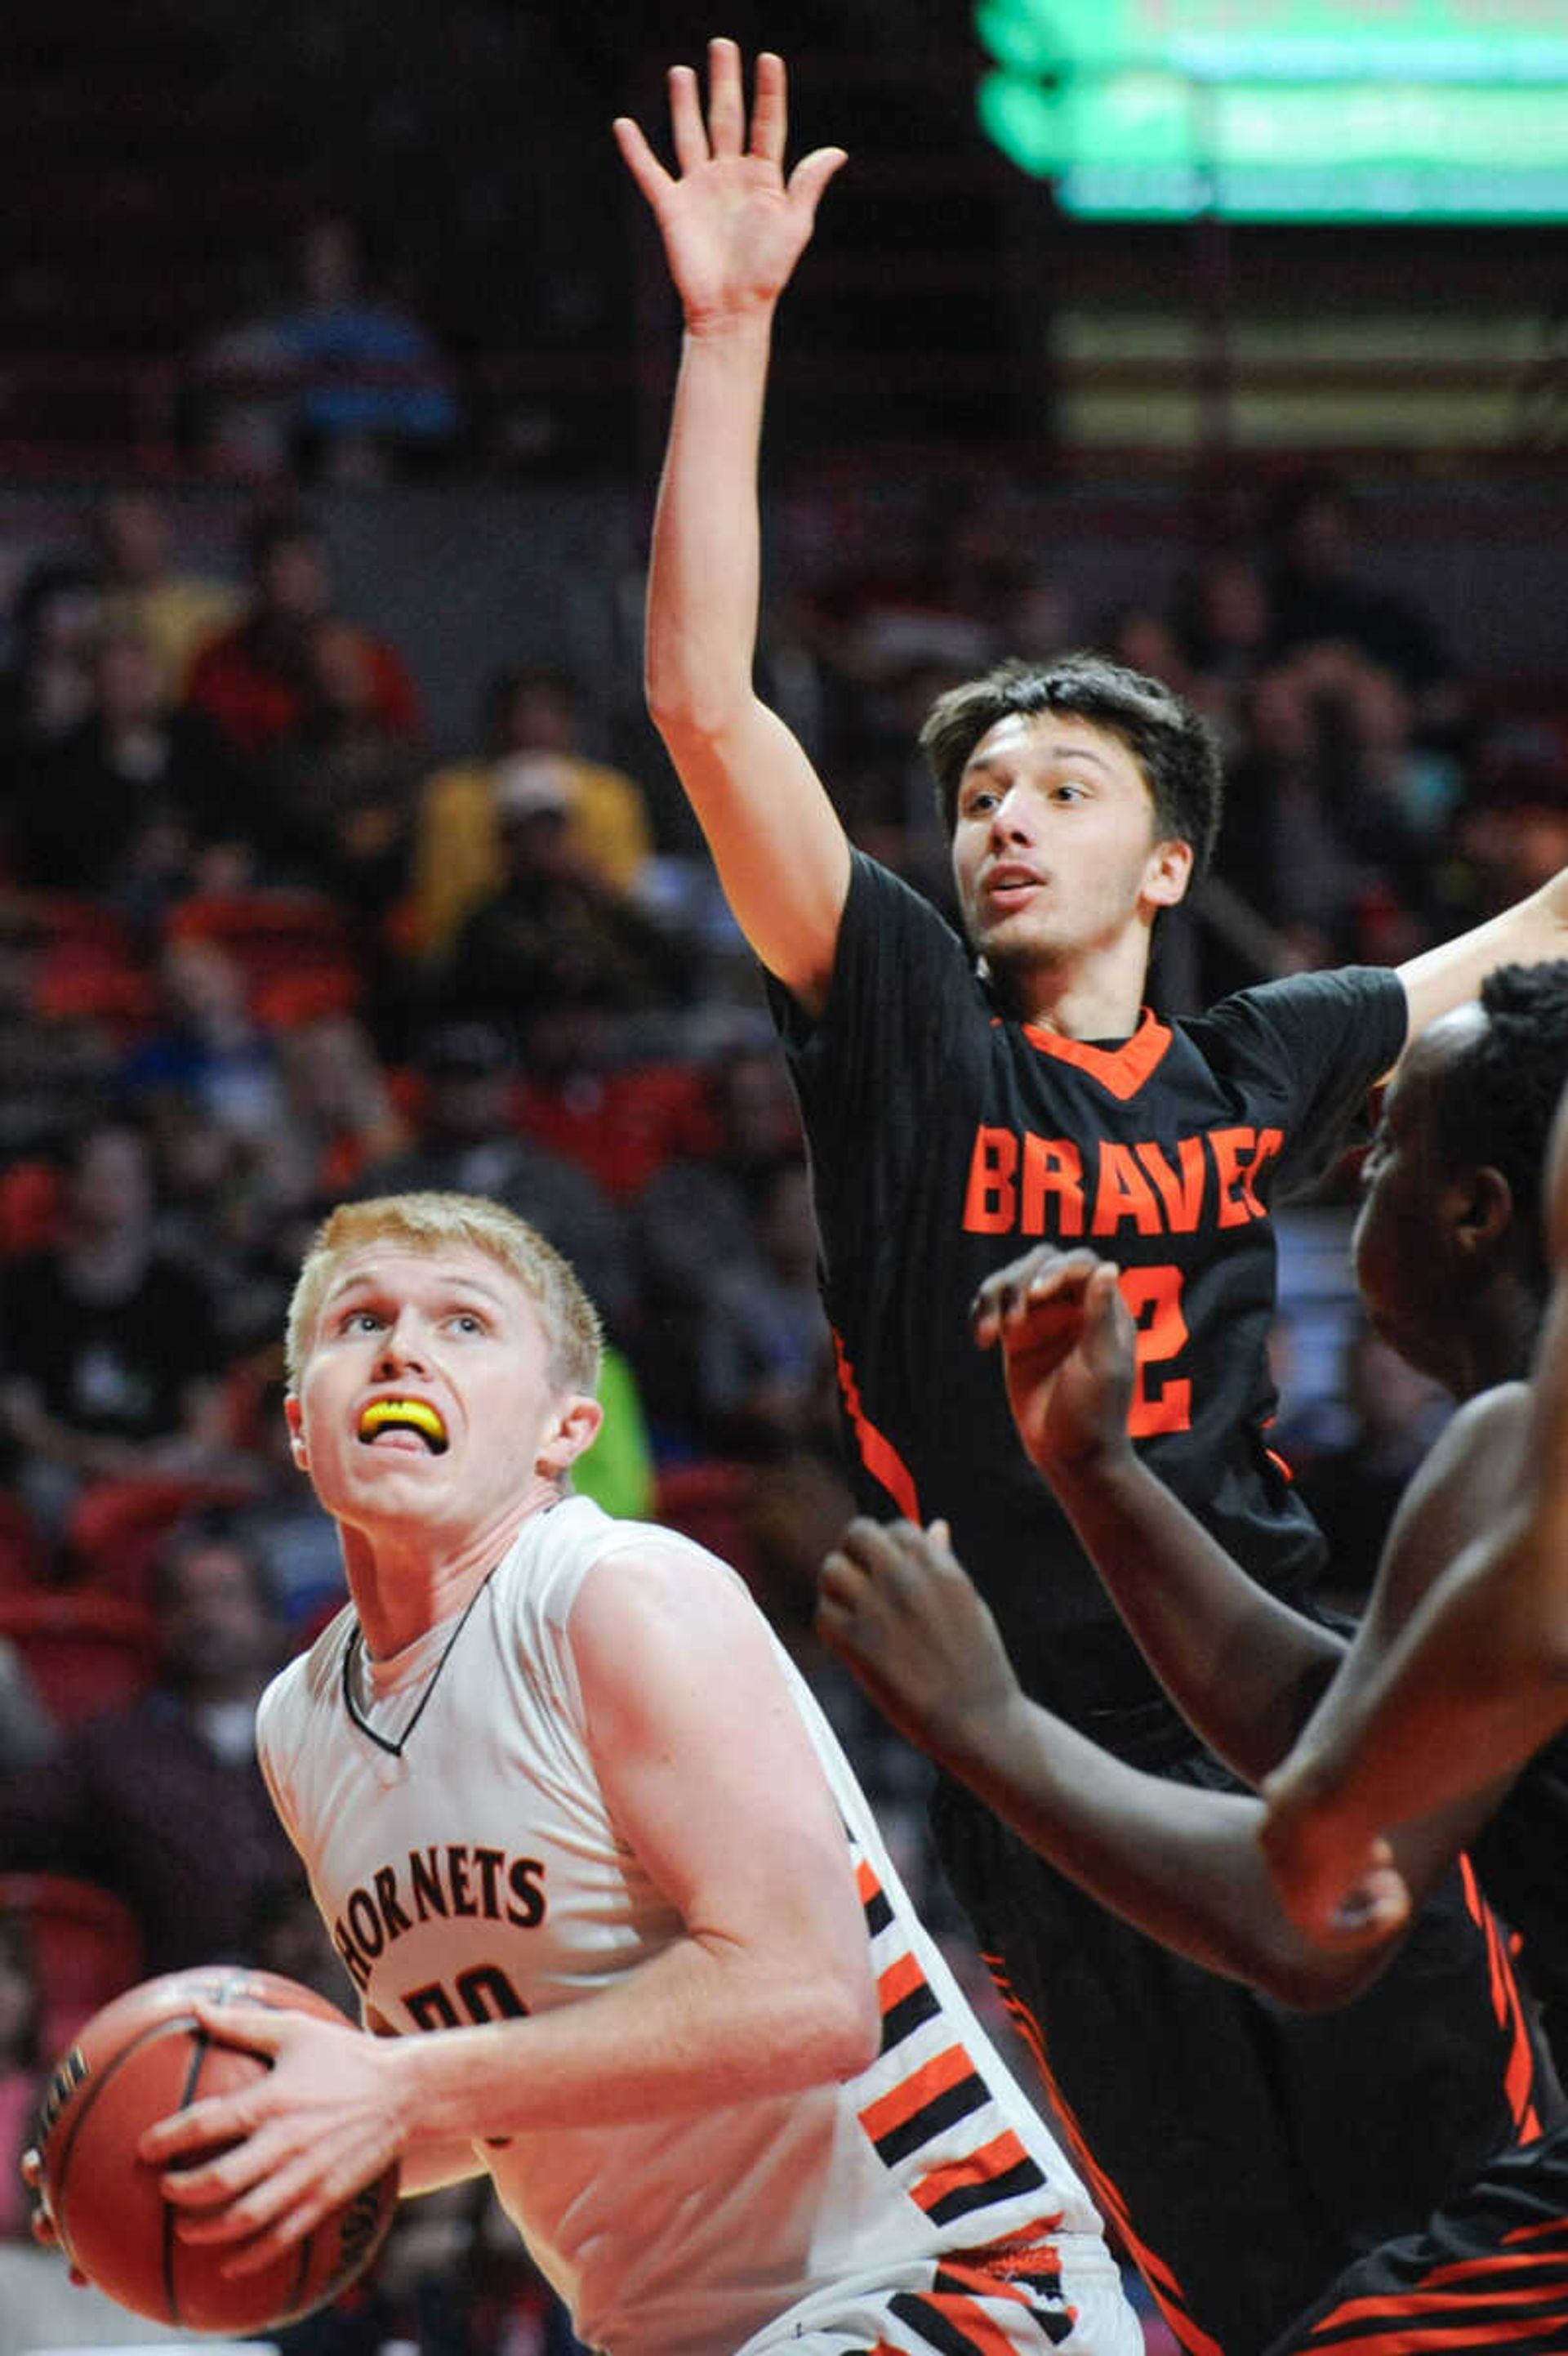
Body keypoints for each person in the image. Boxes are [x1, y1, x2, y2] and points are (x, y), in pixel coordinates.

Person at [616, 43, 1568, 2354]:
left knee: (1483, 2219)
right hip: (1024, 1724)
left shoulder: (1265, 1052)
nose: (1005, 818)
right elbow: (710, 709)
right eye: (983, 791)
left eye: (1064, 783)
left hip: (1283, 1682)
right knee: (1244, 2301)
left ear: (1171, 859)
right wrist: (730, 334)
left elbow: (1524, 950)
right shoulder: (910, 1019)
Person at [28, 1190, 1144, 2356]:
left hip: (943, 2284)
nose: (403, 1345)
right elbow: (492, 2097)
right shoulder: (299, 1723)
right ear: (301, 1429)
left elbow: (809, 2000)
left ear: (565, 1430)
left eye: (465, 1324)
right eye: (359, 1321)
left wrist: (400, 2089)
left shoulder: (616, 1594)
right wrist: (165, 2176)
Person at [817, 962, 1568, 2353]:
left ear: (1480, 1212)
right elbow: (1328, 1730)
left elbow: (1306, 1918)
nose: (1354, 1155)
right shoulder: (1505, 1454)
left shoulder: (1524, 1465)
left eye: (1392, 1134)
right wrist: (1096, 1468)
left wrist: (988, 1720)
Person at [0, 1512, 303, 1975]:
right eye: (184, 1601)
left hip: (325, 1988)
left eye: (224, 1596)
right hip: (176, 1997)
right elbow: (21, 1825)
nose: (205, 1617)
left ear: (268, 1617)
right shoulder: (115, 1751)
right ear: (160, 1622)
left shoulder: (320, 1733)